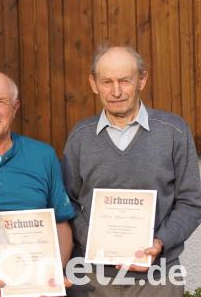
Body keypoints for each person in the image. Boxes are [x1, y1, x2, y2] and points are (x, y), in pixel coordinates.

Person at [63, 46, 201, 297]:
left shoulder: (173, 132)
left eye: (125, 81)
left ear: (142, 80)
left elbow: (192, 201)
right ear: (93, 84)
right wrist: (92, 240)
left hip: (159, 279)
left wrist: (160, 241)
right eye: (107, 82)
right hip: (93, 279)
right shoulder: (80, 136)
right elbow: (67, 201)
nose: (116, 91)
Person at [0, 70, 74, 296]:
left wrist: (54, 274)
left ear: (15, 108)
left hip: (35, 291)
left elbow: (61, 224)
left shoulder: (43, 156)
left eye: (2, 102)